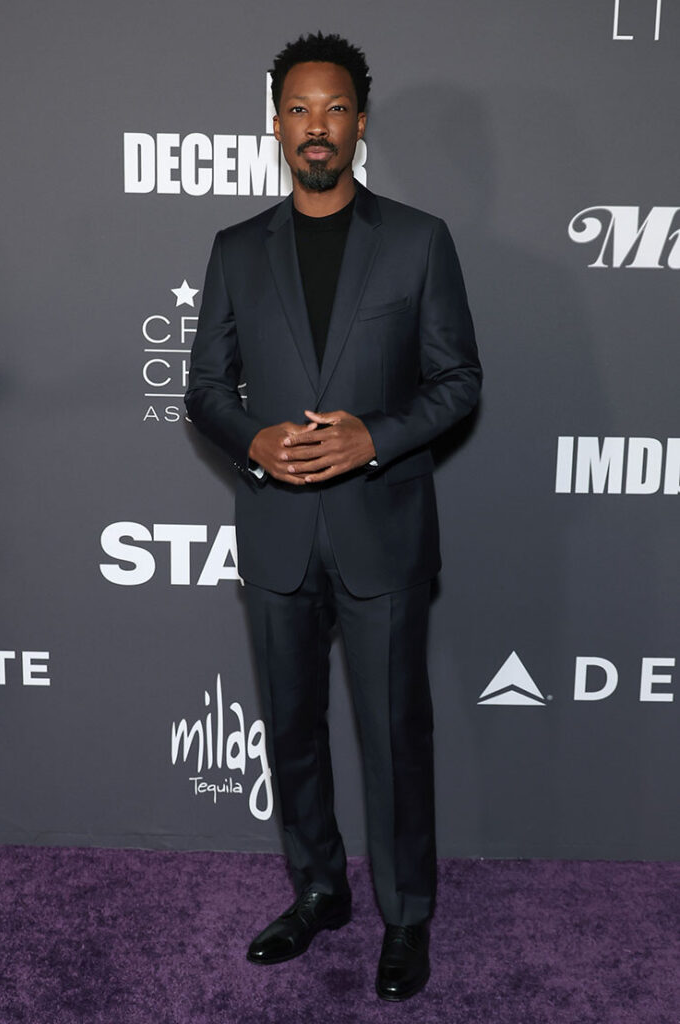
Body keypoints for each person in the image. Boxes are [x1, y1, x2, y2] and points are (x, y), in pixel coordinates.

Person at [185, 30, 481, 1002]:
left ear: (360, 120)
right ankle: (317, 889)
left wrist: (375, 438)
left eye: (335, 109)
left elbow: (456, 382)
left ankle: (404, 915)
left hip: (379, 530)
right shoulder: (234, 249)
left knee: (394, 733)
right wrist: (251, 441)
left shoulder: (418, 239)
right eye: (299, 110)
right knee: (294, 732)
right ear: (275, 125)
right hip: (275, 535)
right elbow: (204, 389)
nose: (317, 128)